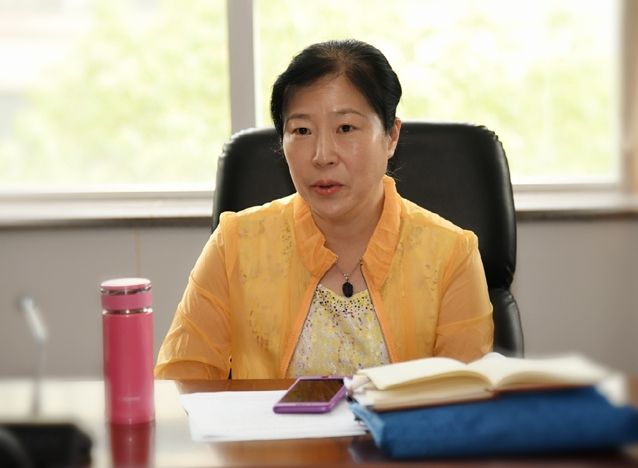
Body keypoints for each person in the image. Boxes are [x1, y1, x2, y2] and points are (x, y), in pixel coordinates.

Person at [155, 39, 493, 380]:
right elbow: (181, 380)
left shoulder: (451, 254)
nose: (322, 155)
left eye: (345, 128)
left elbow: (467, 396)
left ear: (391, 136)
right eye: (301, 130)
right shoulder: (235, 245)